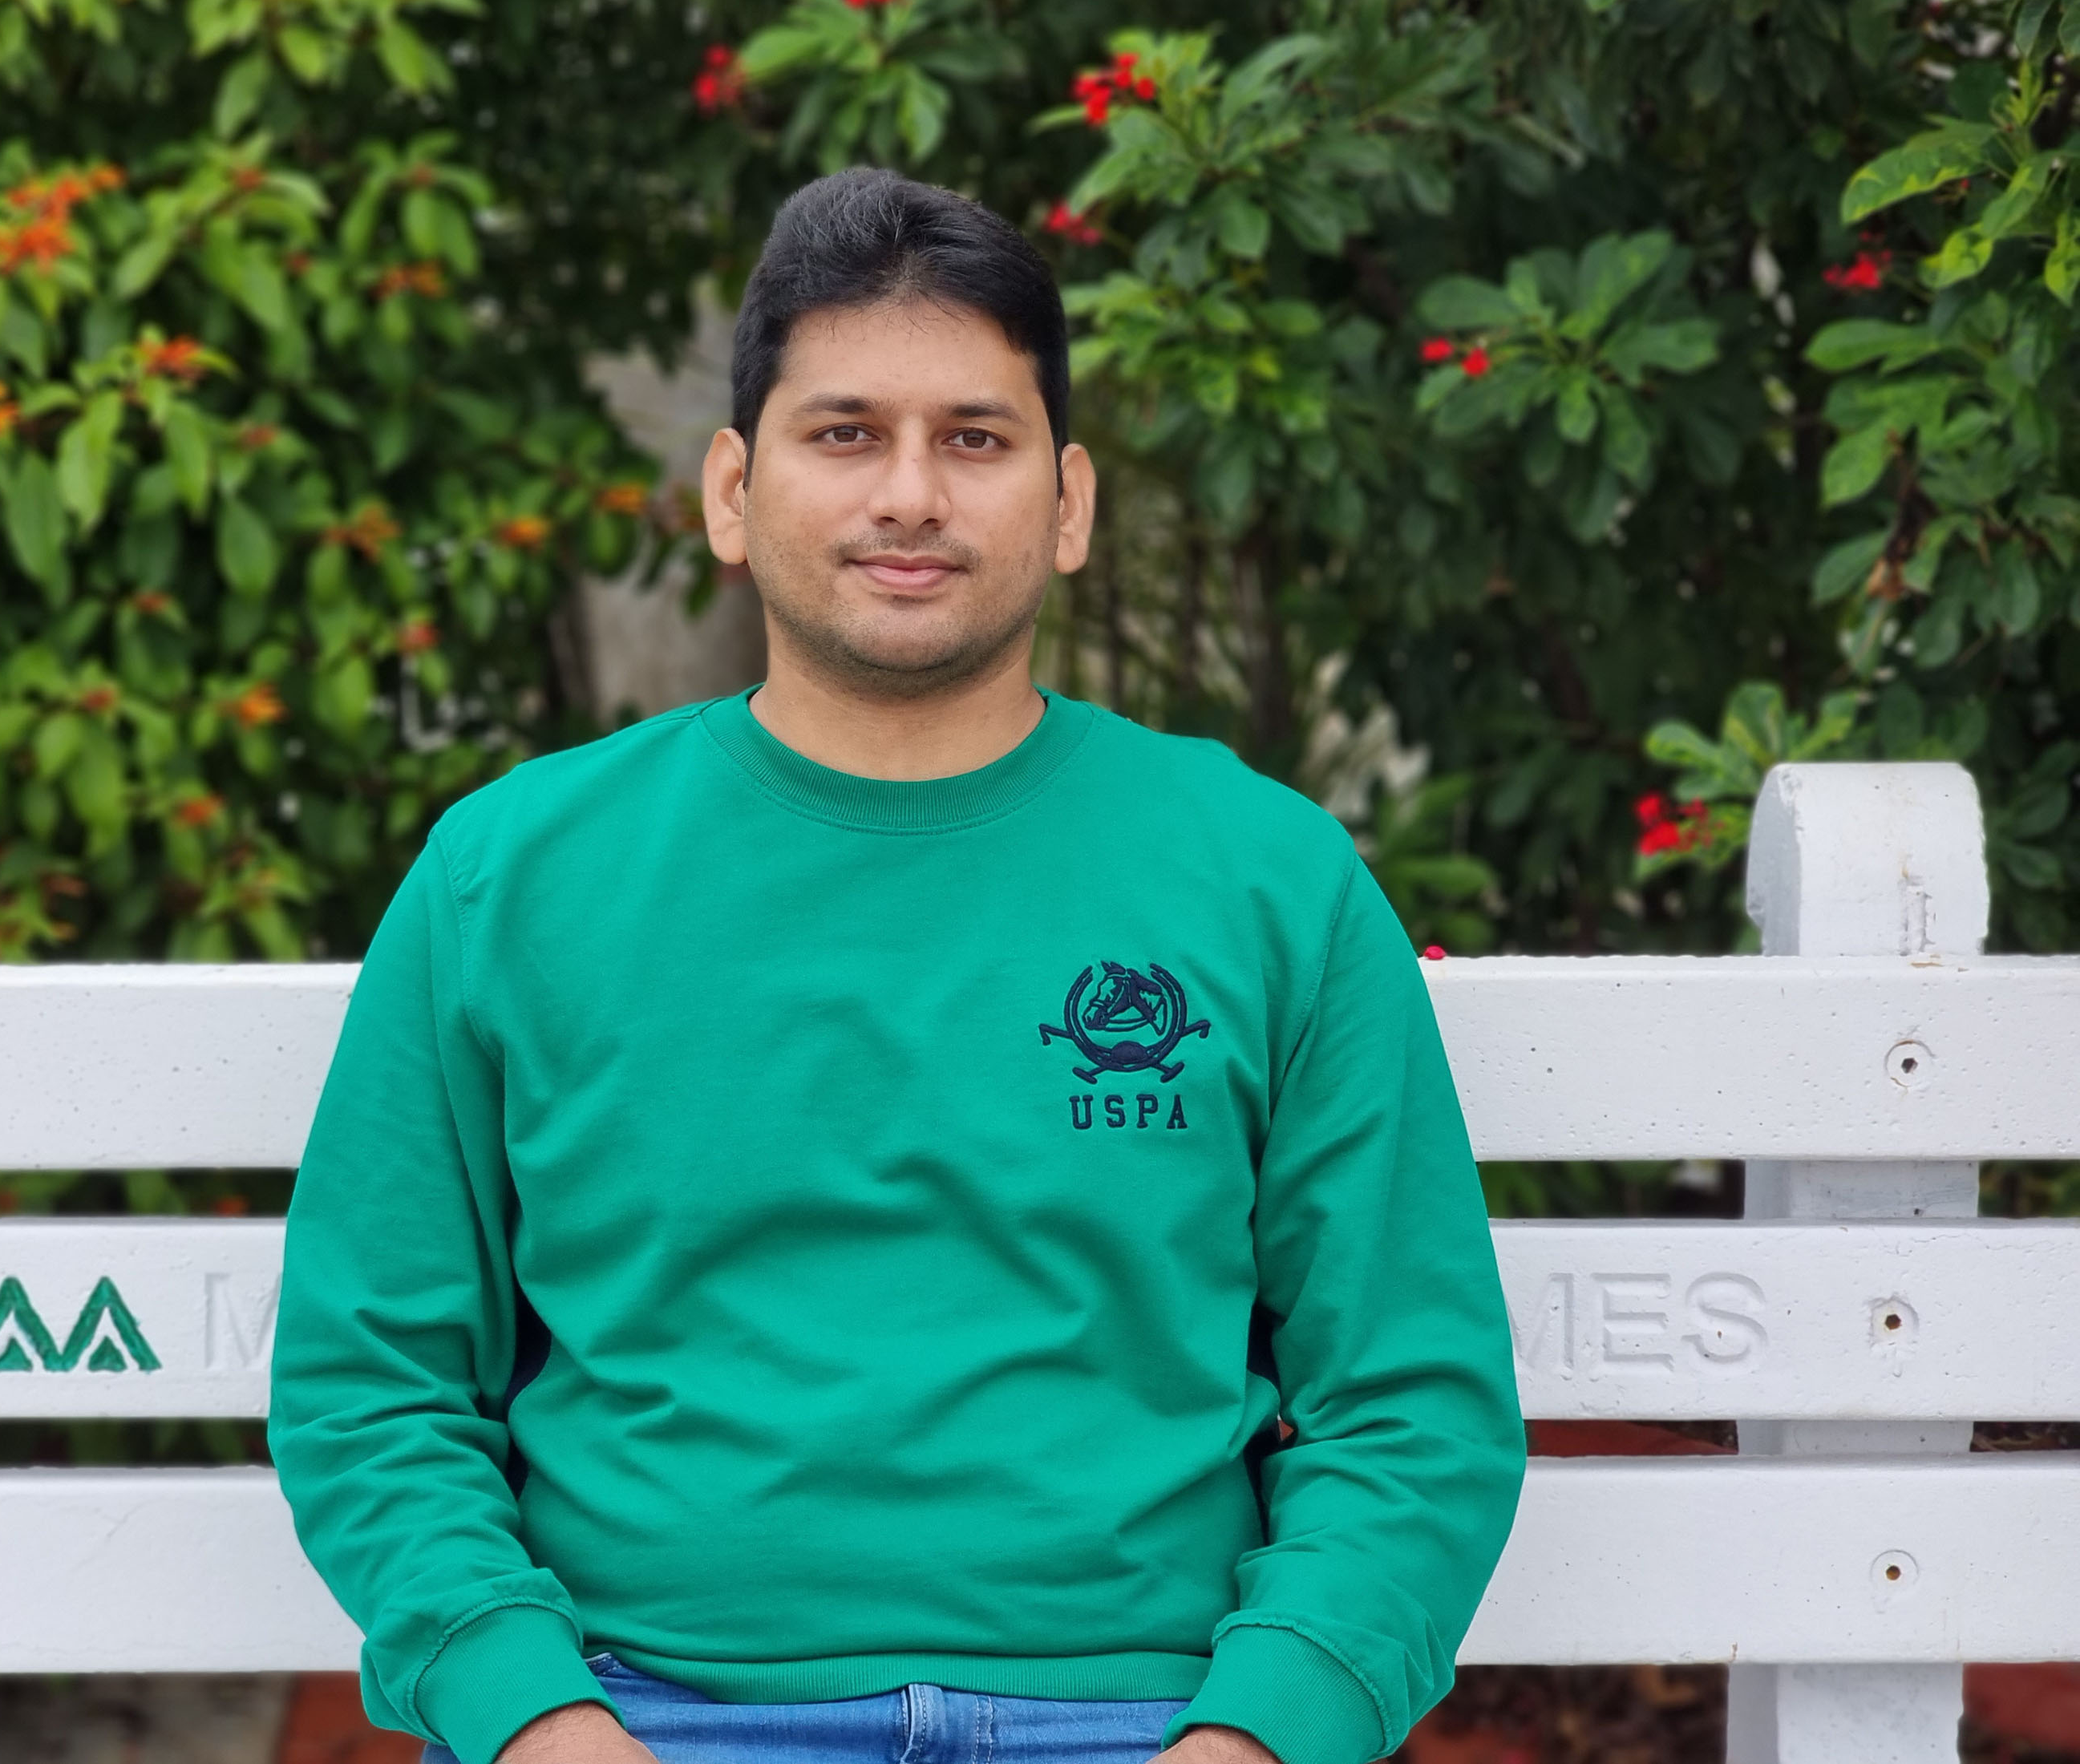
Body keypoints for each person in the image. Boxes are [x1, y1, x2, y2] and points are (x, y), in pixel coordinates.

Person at [267, 167, 1525, 1764]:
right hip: (639, 1708)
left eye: (975, 439)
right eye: (846, 433)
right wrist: (537, 1723)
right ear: (734, 493)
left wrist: (1258, 1736)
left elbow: (1412, 1406)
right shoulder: (511, 876)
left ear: (1069, 504)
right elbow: (372, 1384)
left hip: (1151, 1716)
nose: (911, 495)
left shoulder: (1268, 876)